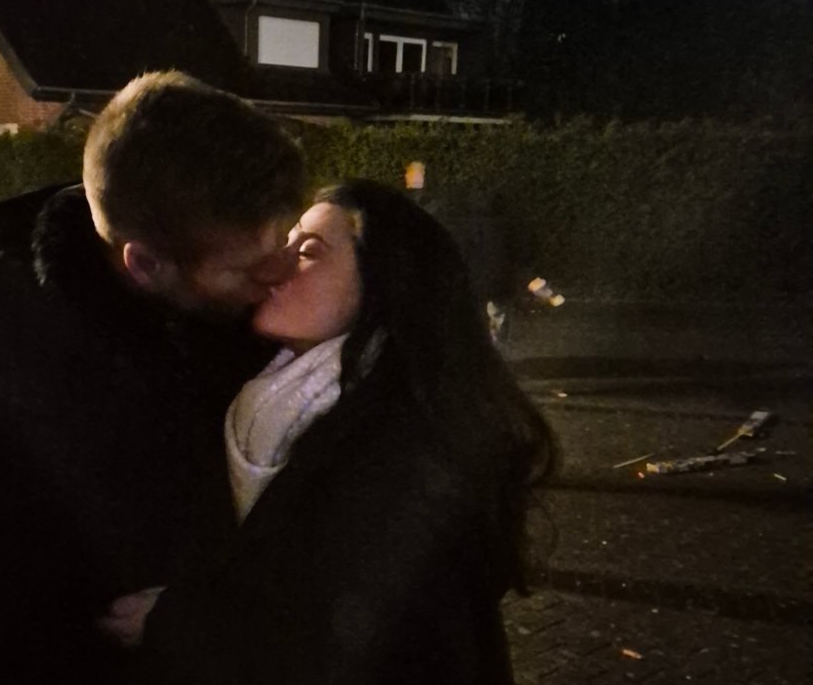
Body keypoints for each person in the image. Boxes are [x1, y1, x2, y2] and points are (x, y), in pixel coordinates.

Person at [0, 71, 306, 684]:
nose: (281, 274)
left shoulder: (253, 333)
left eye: (286, 240)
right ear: (144, 263)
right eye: (247, 267)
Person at [138, 179, 558, 685]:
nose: (275, 265)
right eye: (285, 244)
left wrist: (173, 622)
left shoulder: (413, 446)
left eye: (308, 252)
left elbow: (344, 637)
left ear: (382, 283)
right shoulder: (260, 398)